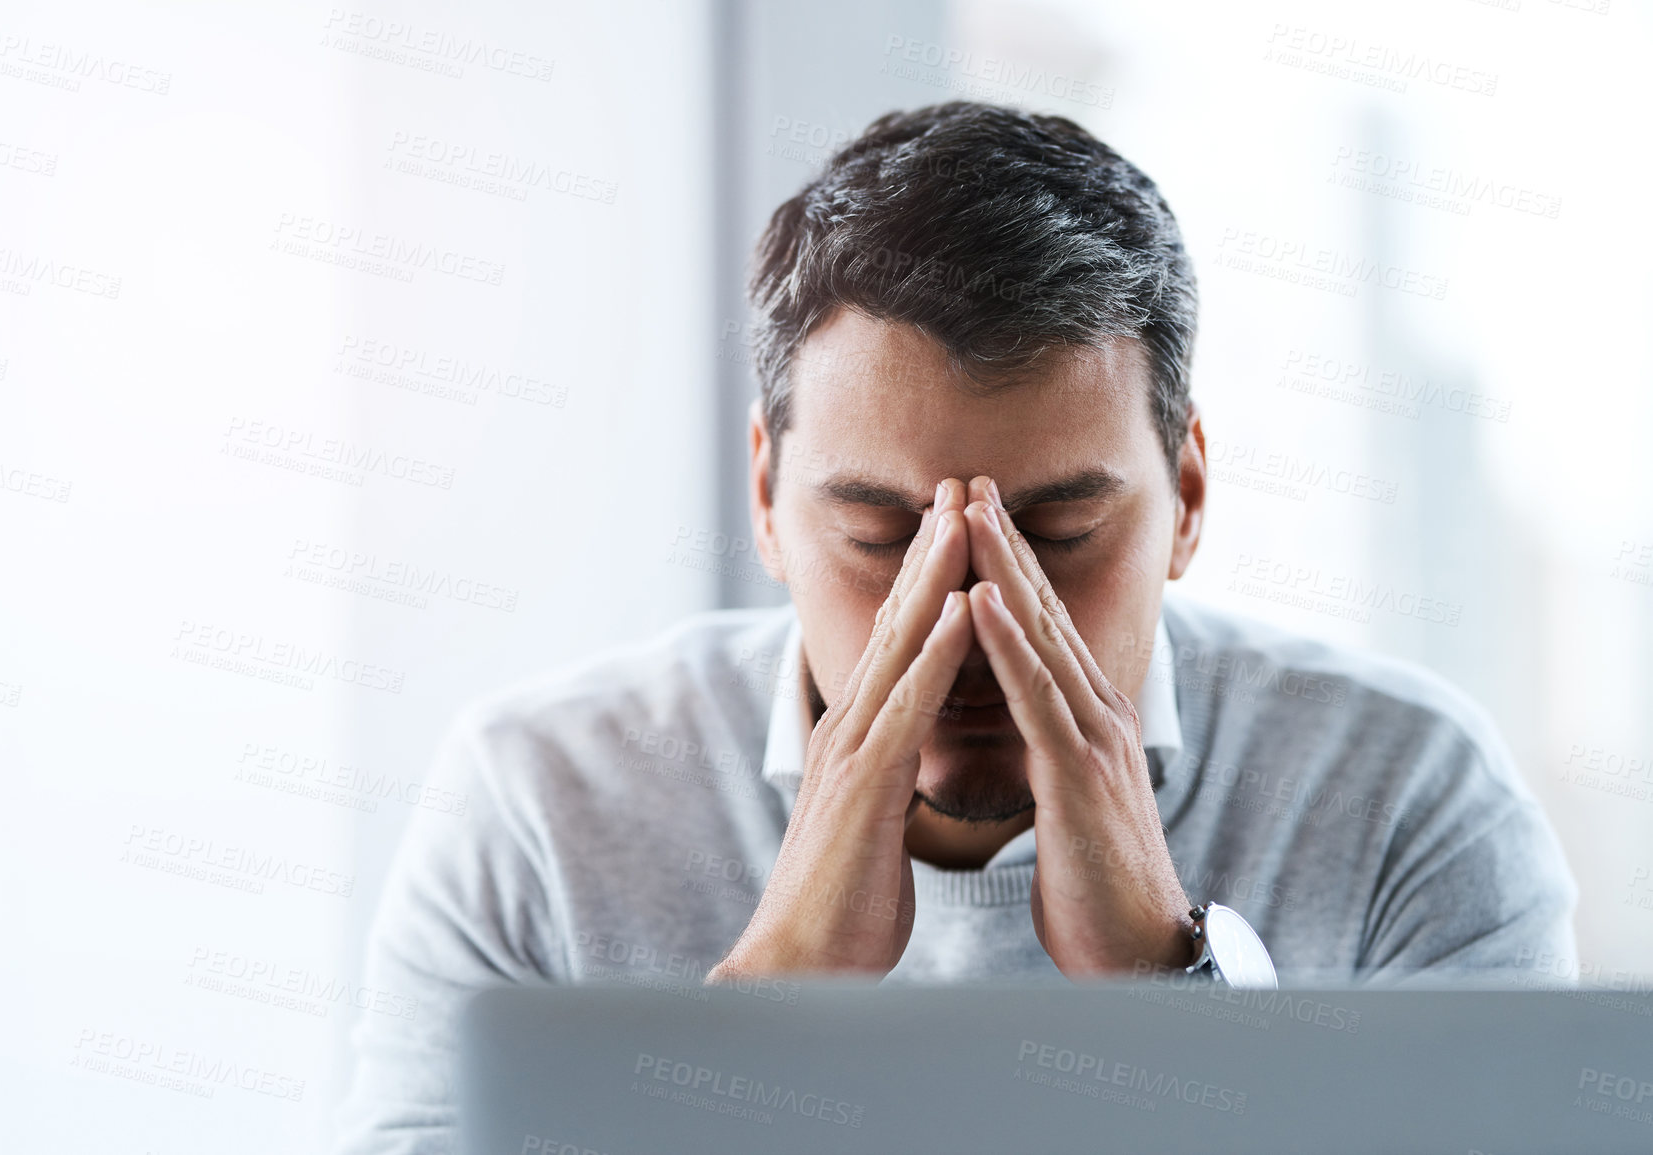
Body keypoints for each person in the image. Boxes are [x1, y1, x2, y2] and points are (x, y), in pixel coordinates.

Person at [333, 101, 1576, 1153]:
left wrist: (1171, 990)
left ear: (1187, 497)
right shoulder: (542, 806)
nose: (970, 616)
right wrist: (764, 1017)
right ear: (766, 498)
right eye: (881, 536)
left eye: (1063, 533)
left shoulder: (1409, 801)